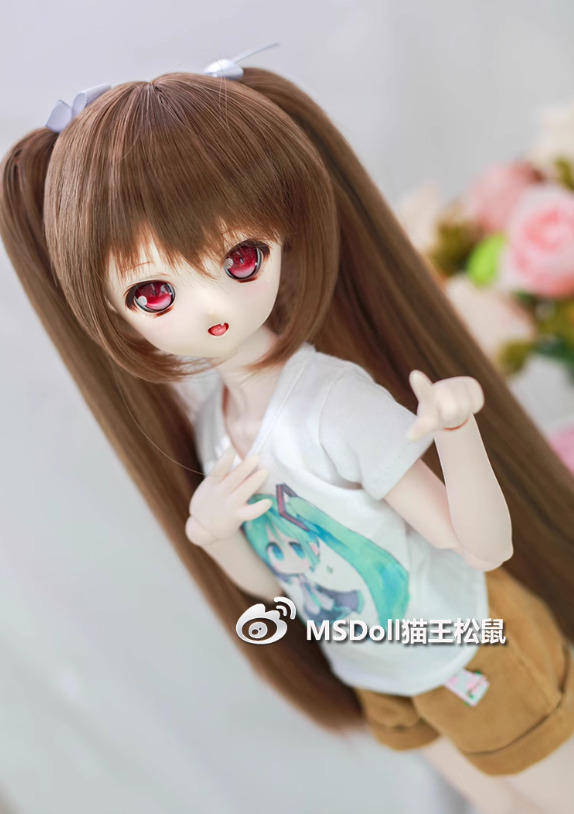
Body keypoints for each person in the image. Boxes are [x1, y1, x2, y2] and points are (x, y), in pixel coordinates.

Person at [1, 61, 574, 813]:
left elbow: (479, 548)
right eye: (154, 292)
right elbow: (277, 585)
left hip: (474, 648)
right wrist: (214, 536)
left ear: (284, 239)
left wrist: (460, 436)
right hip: (381, 675)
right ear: (109, 310)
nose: (210, 306)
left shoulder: (335, 408)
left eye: (240, 258)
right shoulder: (214, 429)